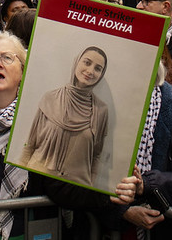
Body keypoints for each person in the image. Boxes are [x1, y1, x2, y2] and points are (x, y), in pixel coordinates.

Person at [0, 31, 139, 239]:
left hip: (18, 233)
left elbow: (58, 185)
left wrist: (109, 192)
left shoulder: (40, 114)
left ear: (23, 70)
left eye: (7, 57)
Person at [19, 46, 109, 187]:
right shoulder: (50, 98)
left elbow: (96, 155)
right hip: (37, 182)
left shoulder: (101, 110)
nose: (90, 71)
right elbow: (30, 143)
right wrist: (20, 179)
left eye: (98, 68)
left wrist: (89, 186)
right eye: (87, 62)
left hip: (75, 190)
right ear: (77, 62)